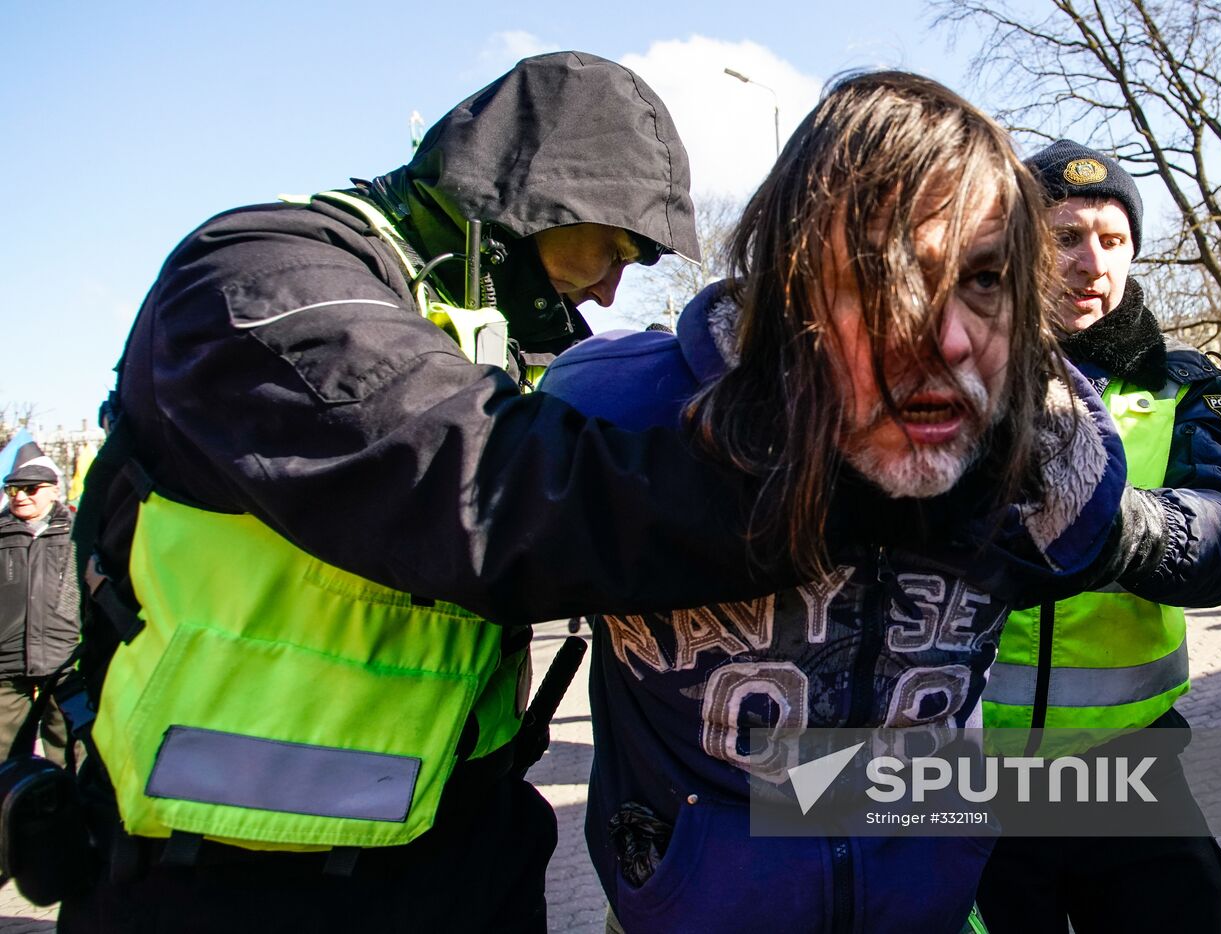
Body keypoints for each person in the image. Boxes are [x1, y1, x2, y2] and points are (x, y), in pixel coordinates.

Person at [59, 52, 977, 932]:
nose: (614, 290)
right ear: (530, 195)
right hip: (220, 881)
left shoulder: (469, 330)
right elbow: (498, 487)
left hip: (458, 847)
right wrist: (865, 490)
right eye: (611, 247)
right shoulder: (261, 280)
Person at [541, 74, 1168, 934]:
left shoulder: (1047, 453)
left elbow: (1096, 515)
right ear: (796, 269)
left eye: (983, 279)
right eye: (895, 272)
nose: (946, 332)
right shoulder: (620, 409)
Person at [977, 140, 1221, 934]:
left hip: (1130, 765)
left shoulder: (1185, 382)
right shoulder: (954, 373)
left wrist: (1115, 530)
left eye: (1113, 240)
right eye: (1065, 237)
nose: (1091, 263)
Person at [0, 441, 78, 765]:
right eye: (12, 489)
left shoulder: (76, 531)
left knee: (71, 747)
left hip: (65, 659)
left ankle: (74, 812)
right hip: (6, 660)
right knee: (5, 754)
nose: (20, 496)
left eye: (30, 488)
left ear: (52, 490)